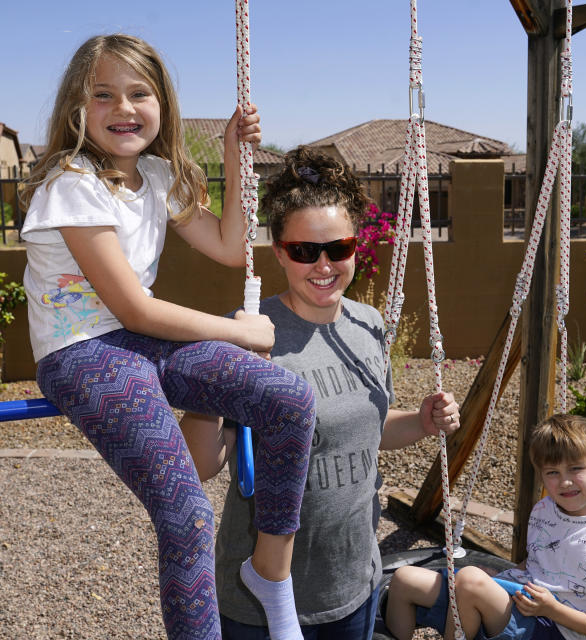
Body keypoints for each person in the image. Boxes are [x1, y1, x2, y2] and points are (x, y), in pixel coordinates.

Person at [18, 34, 316, 640]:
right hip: (83, 351)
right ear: (76, 108)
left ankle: (271, 575)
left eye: (139, 94)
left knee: (289, 401)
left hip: (142, 340)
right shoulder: (71, 182)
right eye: (103, 95)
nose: (123, 109)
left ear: (163, 104)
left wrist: (233, 155)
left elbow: (233, 249)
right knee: (186, 517)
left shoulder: (154, 175)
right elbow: (132, 309)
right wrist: (235, 332)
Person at [179, 146, 462, 640]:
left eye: (339, 248)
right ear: (279, 252)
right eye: (305, 251)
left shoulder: (370, 326)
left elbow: (367, 430)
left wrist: (420, 422)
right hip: (261, 601)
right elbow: (201, 465)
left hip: (352, 584)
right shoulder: (245, 333)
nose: (324, 265)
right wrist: (215, 369)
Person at [385, 414, 586, 640]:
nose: (565, 482)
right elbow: (538, 560)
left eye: (576, 469)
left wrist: (551, 609)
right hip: (521, 600)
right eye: (553, 473)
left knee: (469, 580)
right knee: (405, 579)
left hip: (557, 628)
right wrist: (502, 579)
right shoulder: (544, 510)